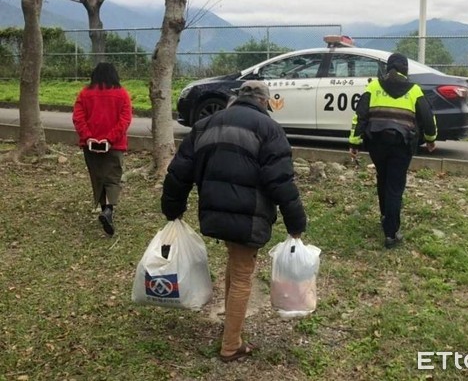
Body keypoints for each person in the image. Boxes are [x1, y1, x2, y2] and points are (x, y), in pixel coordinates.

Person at [161, 81, 307, 362]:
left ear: (236, 99)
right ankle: (231, 345)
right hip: (248, 215)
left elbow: (179, 171)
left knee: (235, 263)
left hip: (215, 211)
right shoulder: (269, 129)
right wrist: (296, 222)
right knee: (242, 274)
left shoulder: (205, 124)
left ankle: (231, 327)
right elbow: (281, 181)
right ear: (264, 102)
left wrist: (172, 208)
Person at [349, 53, 437, 249]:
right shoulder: (414, 90)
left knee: (383, 177)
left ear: (388, 68)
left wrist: (354, 143)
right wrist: (430, 140)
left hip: (376, 144)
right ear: (405, 70)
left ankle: (384, 215)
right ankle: (391, 232)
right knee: (395, 186)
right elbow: (428, 118)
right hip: (402, 145)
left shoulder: (373, 87)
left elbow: (360, 116)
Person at [72, 62, 132, 237]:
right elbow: (125, 120)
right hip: (115, 146)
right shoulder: (122, 95)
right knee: (113, 178)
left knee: (98, 177)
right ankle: (109, 211)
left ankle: (104, 209)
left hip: (90, 146)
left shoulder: (84, 94)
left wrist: (89, 136)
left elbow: (78, 117)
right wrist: (110, 138)